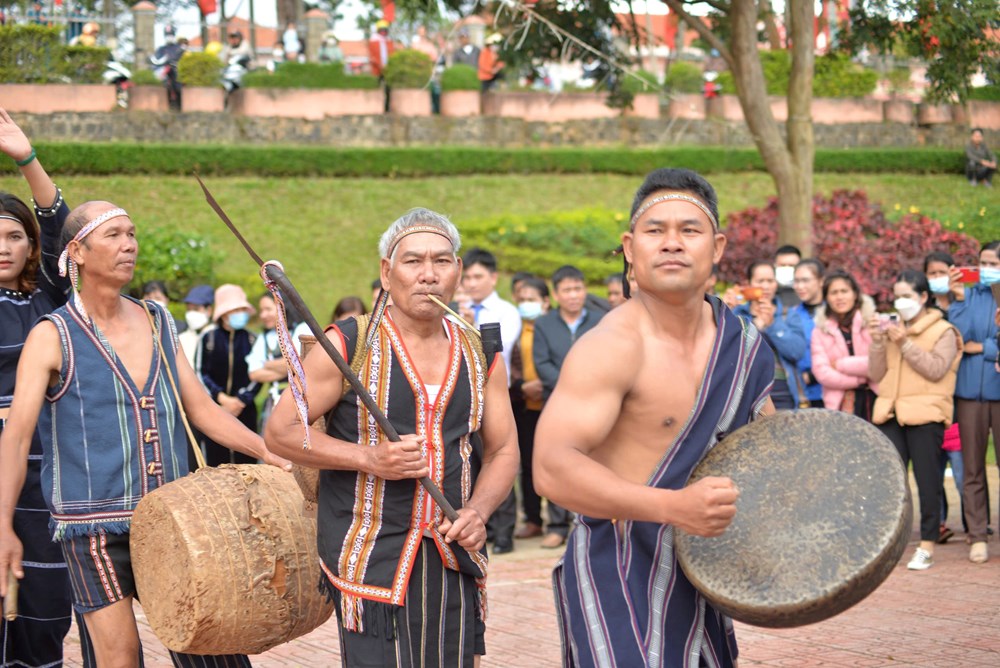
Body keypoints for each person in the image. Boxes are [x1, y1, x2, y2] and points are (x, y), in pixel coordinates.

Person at [0, 199, 288, 667]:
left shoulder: (157, 321)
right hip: (91, 527)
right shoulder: (52, 335)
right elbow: (14, 439)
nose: (129, 244)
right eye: (113, 235)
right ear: (77, 250)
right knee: (120, 658)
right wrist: (2, 525)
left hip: (176, 518)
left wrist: (266, 450)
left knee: (212, 647)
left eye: (131, 233)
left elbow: (201, 409)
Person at [534, 168, 775, 667]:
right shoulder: (609, 347)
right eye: (654, 230)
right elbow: (552, 467)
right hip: (616, 570)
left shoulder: (746, 346)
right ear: (628, 246)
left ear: (718, 246)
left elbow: (767, 459)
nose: (672, 243)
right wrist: (674, 507)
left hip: (704, 573)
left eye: (689, 230)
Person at [264, 208, 519, 666]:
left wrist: (478, 512)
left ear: (458, 272)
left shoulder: (481, 351)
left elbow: (502, 449)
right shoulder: (347, 343)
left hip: (452, 548)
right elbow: (281, 432)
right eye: (413, 262)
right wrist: (369, 458)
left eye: (442, 262)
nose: (429, 276)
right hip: (369, 549)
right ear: (386, 271)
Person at [0, 106, 78, 668]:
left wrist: (27, 159)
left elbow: (62, 230)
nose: (4, 247)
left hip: (43, 475)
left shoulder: (48, 302)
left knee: (44, 609)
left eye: (14, 236)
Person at [868, 269, 961, 571]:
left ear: (923, 297)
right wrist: (879, 342)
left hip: (925, 414)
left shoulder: (943, 330)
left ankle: (928, 543)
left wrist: (906, 343)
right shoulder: (894, 327)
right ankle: (891, 541)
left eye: (907, 296)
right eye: (897, 296)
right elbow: (876, 374)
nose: (901, 302)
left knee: (927, 480)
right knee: (892, 483)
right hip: (891, 412)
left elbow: (936, 369)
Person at [533, 264, 604, 549]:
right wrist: (570, 386)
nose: (574, 295)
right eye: (567, 290)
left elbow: (607, 358)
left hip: (598, 403)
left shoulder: (602, 320)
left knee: (595, 462)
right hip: (558, 404)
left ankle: (593, 521)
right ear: (556, 294)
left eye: (578, 289)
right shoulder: (544, 324)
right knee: (558, 461)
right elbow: (542, 364)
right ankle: (558, 526)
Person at [461, 247, 521, 554]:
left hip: (499, 395)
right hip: (464, 398)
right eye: (467, 277)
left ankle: (504, 533)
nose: (471, 283)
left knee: (499, 457)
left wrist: (469, 326)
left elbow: (499, 348)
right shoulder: (453, 309)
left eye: (478, 276)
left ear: (493, 278)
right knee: (470, 464)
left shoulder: (505, 312)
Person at [947, 240, 1000, 563]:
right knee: (972, 468)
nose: (986, 269)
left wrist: (984, 349)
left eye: (993, 263)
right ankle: (977, 534)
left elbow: (977, 345)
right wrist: (957, 299)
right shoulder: (970, 296)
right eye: (983, 263)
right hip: (969, 394)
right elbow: (958, 337)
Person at [196, 284, 260, 466]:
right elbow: (201, 372)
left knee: (247, 458)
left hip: (245, 408)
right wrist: (221, 397)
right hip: (215, 408)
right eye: (236, 309)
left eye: (242, 309)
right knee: (217, 459)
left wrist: (240, 400)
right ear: (223, 314)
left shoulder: (252, 340)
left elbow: (257, 376)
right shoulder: (208, 338)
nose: (241, 313)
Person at [733, 260, 809, 409]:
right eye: (760, 281)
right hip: (748, 397)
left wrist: (772, 324)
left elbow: (797, 351)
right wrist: (755, 326)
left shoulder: (788, 315)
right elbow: (733, 354)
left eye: (770, 281)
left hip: (784, 396)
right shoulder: (737, 315)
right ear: (749, 283)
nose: (766, 286)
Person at [508, 277, 550, 542]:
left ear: (545, 302)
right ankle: (534, 518)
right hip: (524, 406)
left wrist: (544, 385)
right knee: (527, 464)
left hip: (552, 404)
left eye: (531, 299)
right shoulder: (515, 329)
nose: (526, 304)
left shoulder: (551, 328)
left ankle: (562, 520)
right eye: (522, 300)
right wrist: (522, 386)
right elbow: (510, 364)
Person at [810, 269, 878, 418]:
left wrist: (841, 364)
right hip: (839, 404)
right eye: (834, 293)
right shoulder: (820, 330)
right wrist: (860, 380)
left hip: (875, 397)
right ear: (826, 297)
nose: (839, 297)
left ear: (855, 294)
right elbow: (822, 372)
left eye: (844, 291)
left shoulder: (872, 322)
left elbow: (877, 363)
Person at [247, 292, 309, 433]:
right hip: (274, 400)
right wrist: (291, 365)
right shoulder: (264, 337)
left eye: (268, 309)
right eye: (261, 311)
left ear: (282, 307)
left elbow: (305, 362)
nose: (263, 315)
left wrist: (267, 363)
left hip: (300, 400)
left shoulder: (302, 329)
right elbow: (254, 373)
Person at [791, 258, 826, 407]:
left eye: (805, 280)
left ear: (820, 281)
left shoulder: (834, 313)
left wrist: (813, 375)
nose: (800, 286)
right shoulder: (791, 314)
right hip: (801, 395)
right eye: (796, 281)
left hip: (829, 392)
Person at [150, 26, 187, 111]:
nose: (169, 37)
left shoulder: (179, 47)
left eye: (170, 35)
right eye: (167, 35)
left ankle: (179, 104)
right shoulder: (161, 49)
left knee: (177, 84)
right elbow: (156, 59)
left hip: (175, 71)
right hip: (164, 71)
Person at [178, 283, 214, 365]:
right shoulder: (182, 338)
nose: (191, 313)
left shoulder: (217, 337)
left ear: (209, 311)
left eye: (196, 309)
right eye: (189, 309)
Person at [774, 244, 802, 308]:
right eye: (783, 265)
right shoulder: (767, 292)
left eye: (791, 265)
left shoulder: (807, 293)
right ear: (775, 266)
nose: (787, 269)